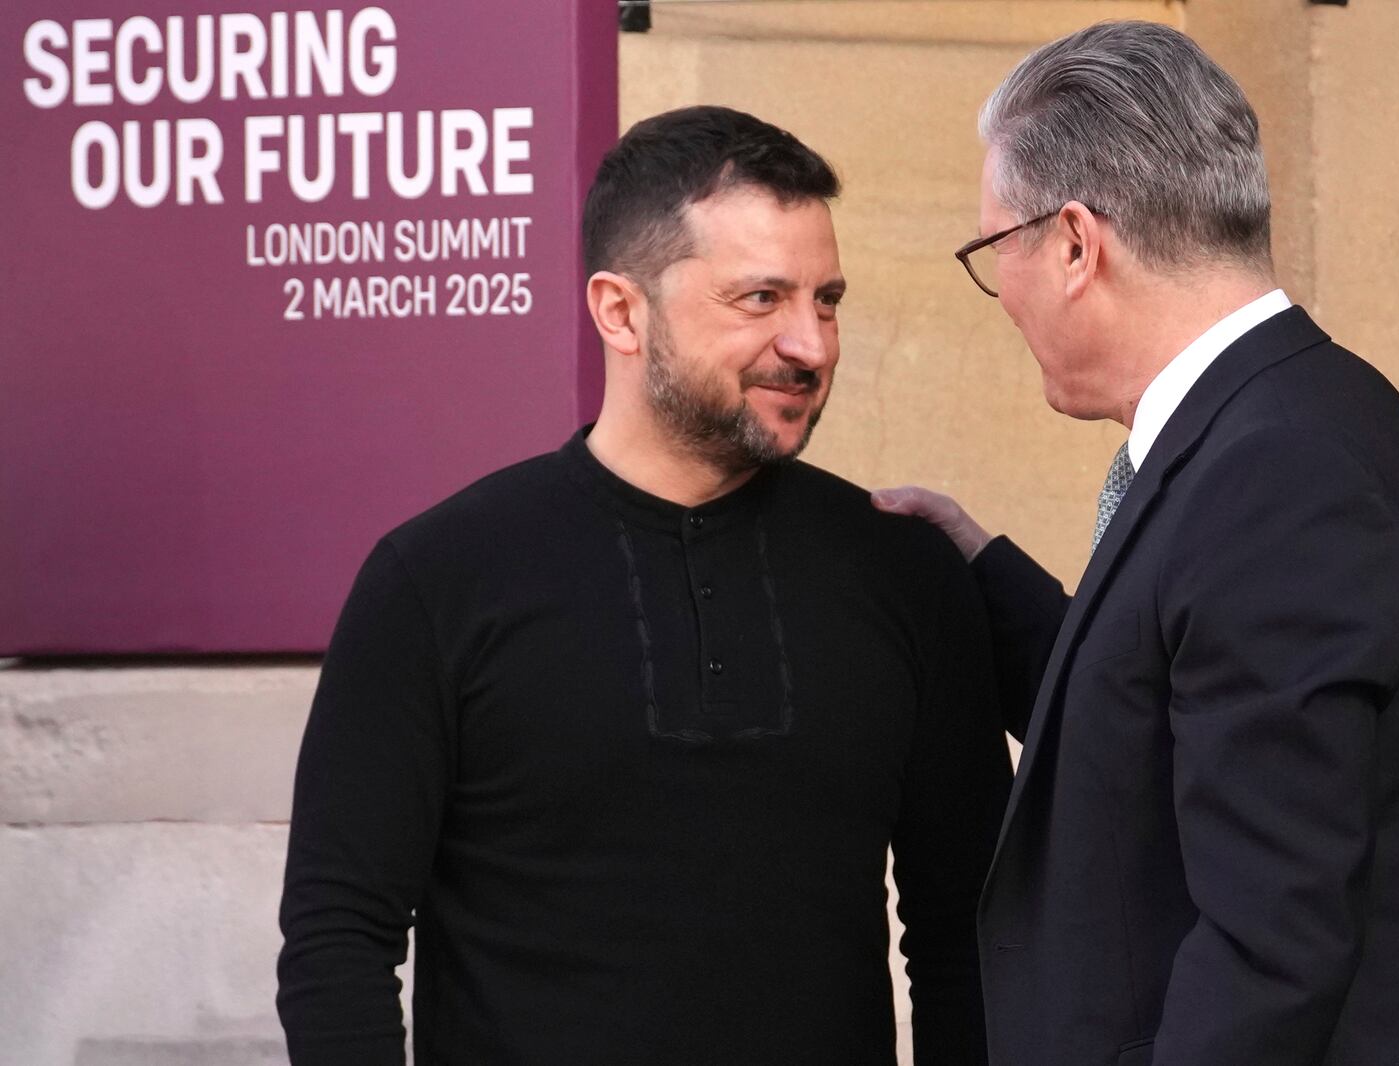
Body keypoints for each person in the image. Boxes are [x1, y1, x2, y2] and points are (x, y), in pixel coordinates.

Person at [277, 105, 1012, 1066]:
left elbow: (971, 942)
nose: (813, 346)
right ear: (620, 311)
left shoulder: (904, 573)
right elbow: (339, 943)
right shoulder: (438, 580)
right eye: (761, 299)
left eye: (825, 299)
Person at [874, 21, 1399, 1066]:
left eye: (993, 246)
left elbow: (1268, 943)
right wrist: (982, 573)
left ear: (1074, 242)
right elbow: (1187, 715)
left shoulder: (1279, 477)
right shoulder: (1281, 424)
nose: (999, 289)